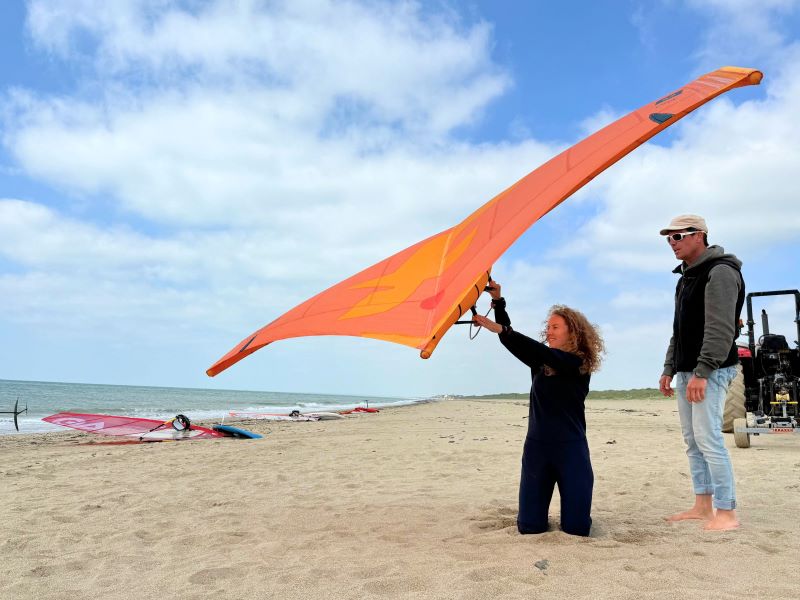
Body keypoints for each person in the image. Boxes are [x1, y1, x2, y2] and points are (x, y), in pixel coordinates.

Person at [474, 284, 604, 536]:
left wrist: (503, 329)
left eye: (555, 327)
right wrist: (498, 303)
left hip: (571, 451)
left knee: (577, 529)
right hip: (537, 450)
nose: (549, 331)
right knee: (529, 527)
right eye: (548, 327)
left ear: (572, 332)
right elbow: (520, 345)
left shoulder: (578, 364)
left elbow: (539, 350)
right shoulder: (540, 361)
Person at [658, 214, 744, 531]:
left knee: (709, 440)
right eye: (669, 238)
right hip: (686, 371)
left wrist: (703, 371)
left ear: (699, 236)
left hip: (712, 369)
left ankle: (726, 512)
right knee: (693, 441)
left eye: (678, 236)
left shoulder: (720, 272)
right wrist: (669, 368)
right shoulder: (685, 278)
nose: (672, 243)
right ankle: (703, 505)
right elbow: (679, 331)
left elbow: (721, 329)